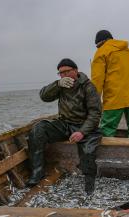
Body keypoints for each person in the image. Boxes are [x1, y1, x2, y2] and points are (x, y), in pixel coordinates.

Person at [26, 58, 102, 194]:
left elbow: (95, 114)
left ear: (75, 71)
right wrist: (57, 84)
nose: (64, 75)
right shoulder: (61, 85)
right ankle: (37, 173)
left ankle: (89, 185)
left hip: (85, 126)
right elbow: (44, 96)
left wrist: (82, 132)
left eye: (67, 71)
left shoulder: (88, 86)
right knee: (38, 129)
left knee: (88, 151)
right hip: (65, 124)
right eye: (60, 73)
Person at [91, 30, 129, 138]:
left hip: (115, 98)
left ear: (99, 43)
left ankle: (107, 152)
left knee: (107, 129)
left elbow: (97, 80)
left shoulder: (101, 52)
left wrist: (93, 100)